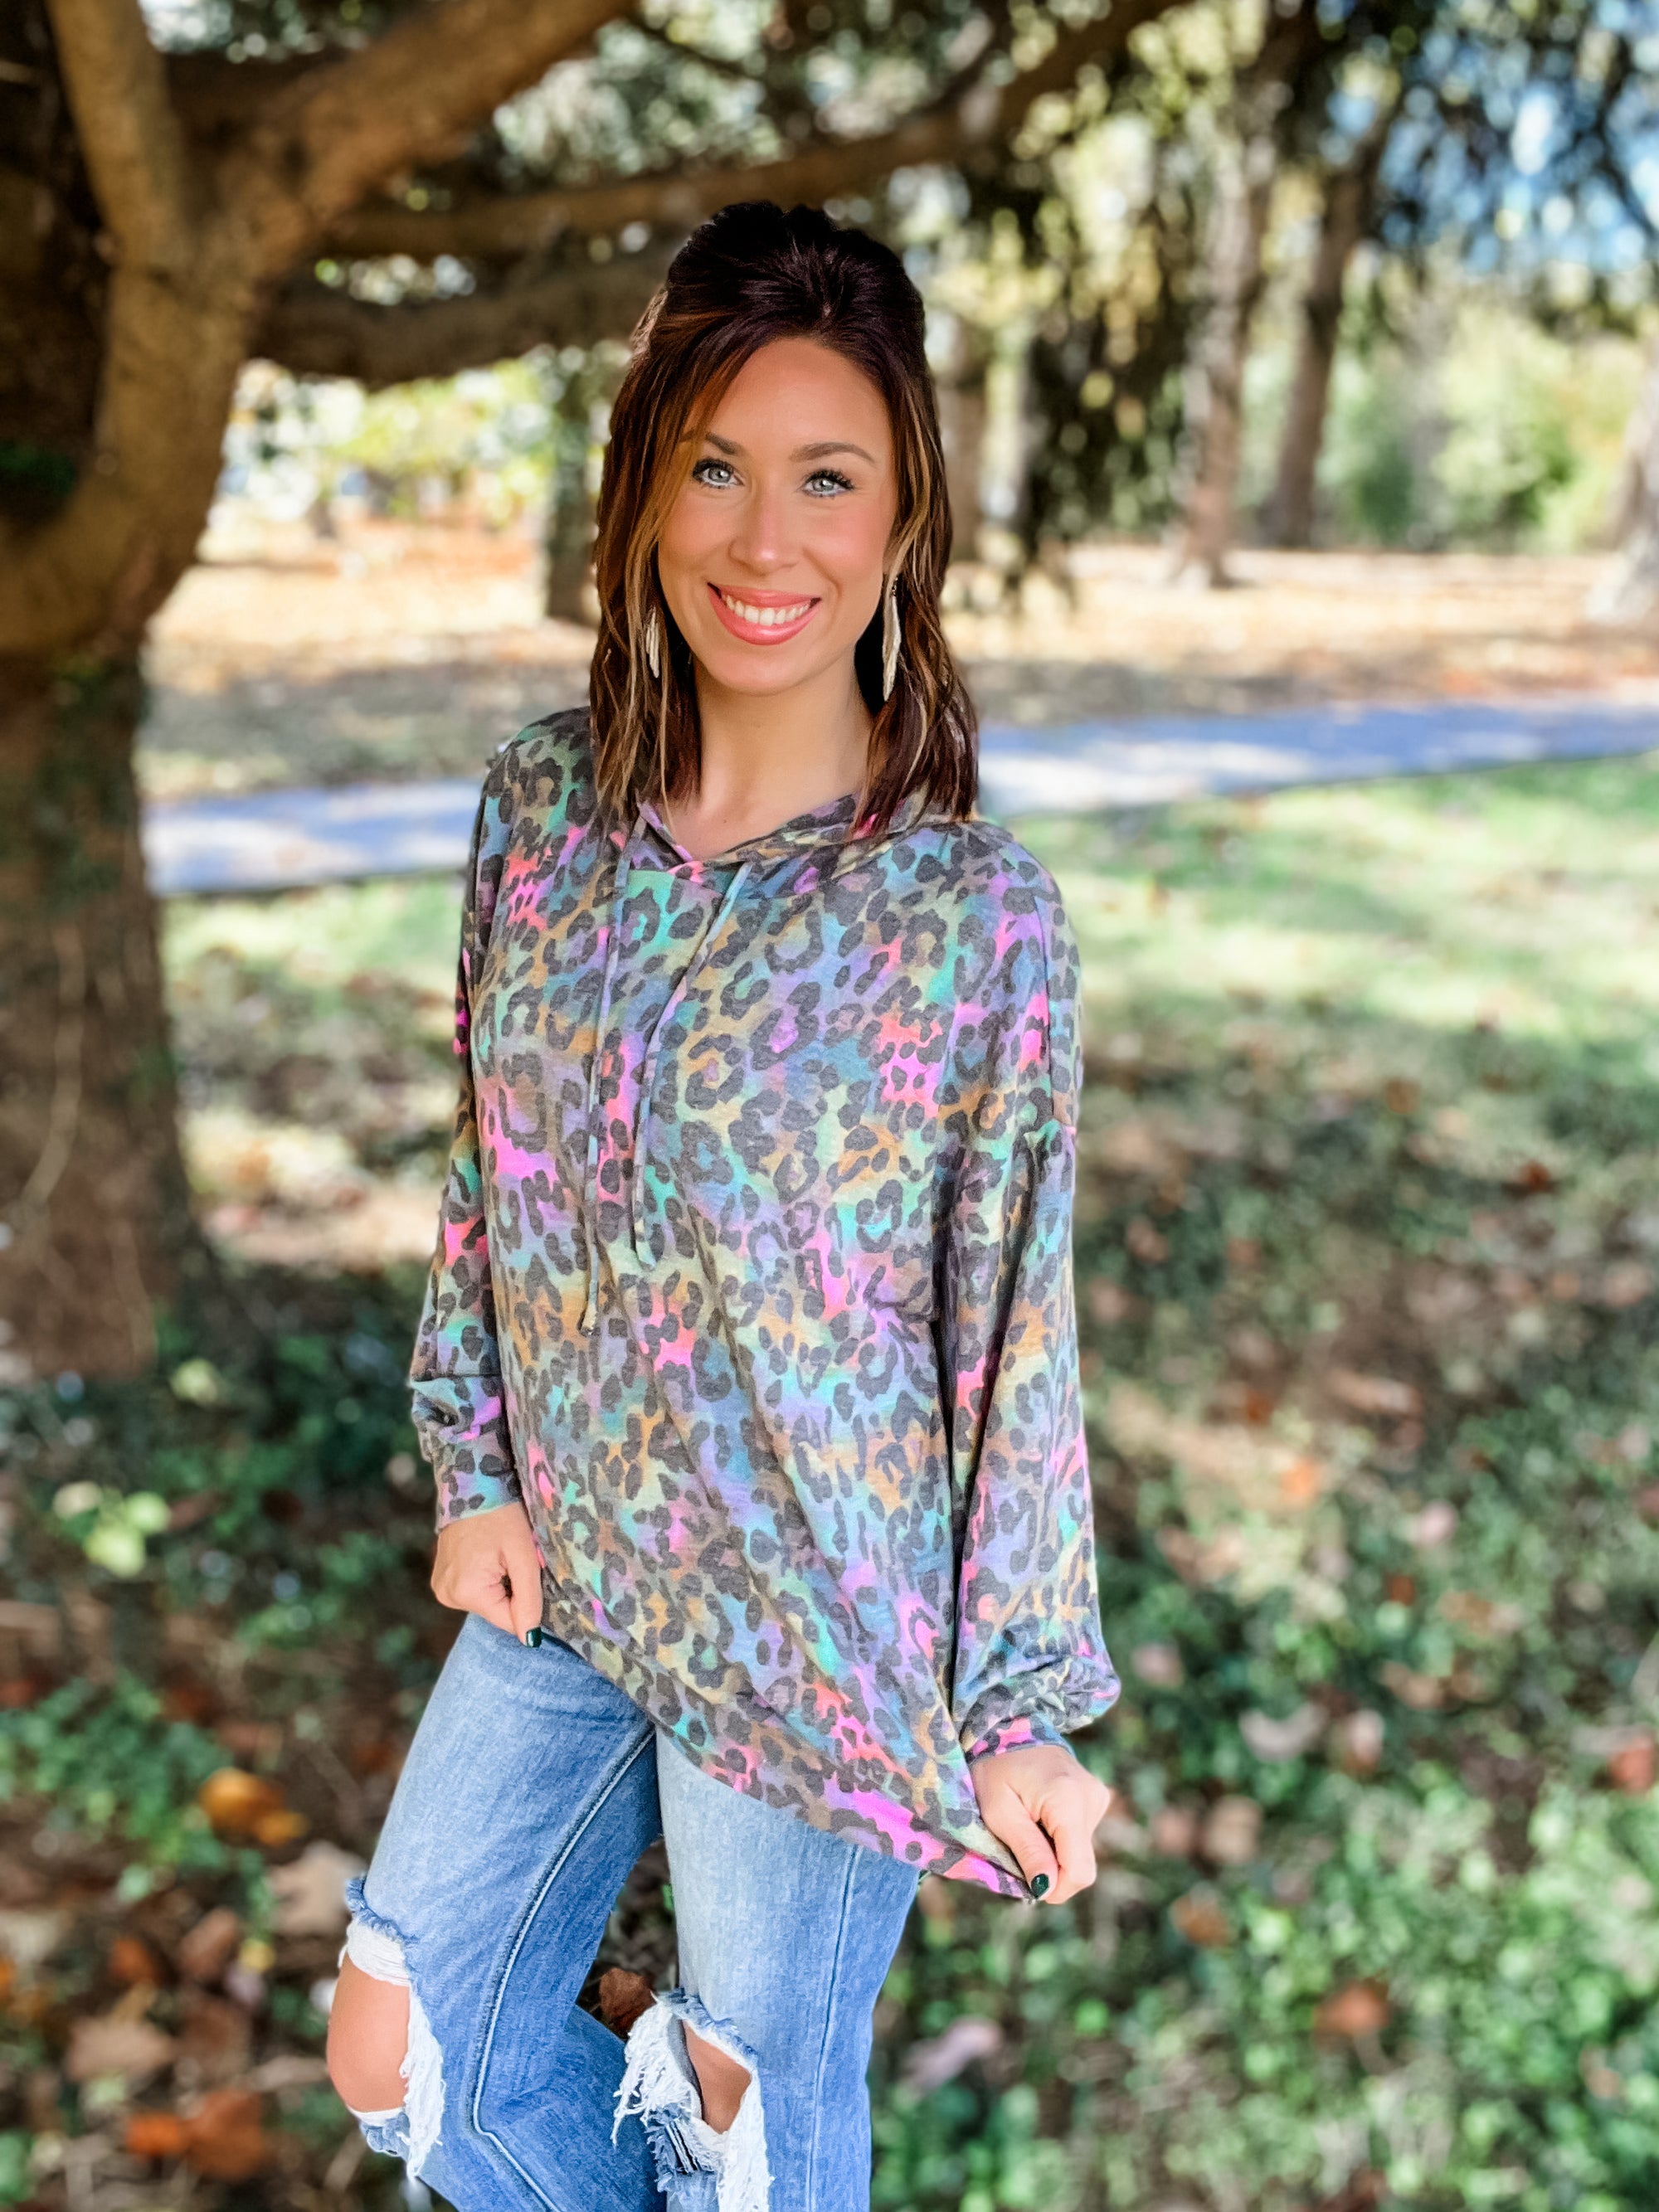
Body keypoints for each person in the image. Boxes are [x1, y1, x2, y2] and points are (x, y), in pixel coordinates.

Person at [324, 199, 1120, 2212]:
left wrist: (1018, 1703)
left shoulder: (967, 915)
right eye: (714, 467)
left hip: (818, 1618)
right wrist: (473, 1459)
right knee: (407, 2048)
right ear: (641, 488)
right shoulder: (542, 808)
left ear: (903, 513)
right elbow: (487, 1164)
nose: (767, 540)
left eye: (827, 477)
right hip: (570, 1565)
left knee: (744, 2145)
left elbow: (1008, 1332)